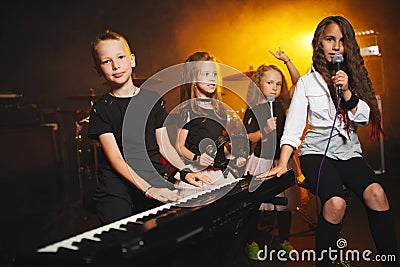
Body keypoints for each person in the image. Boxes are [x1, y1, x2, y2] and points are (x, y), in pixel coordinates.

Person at [262, 16, 399, 266]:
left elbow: (365, 119)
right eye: (329, 39)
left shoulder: (353, 78)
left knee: (377, 193)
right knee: (335, 203)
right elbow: (293, 127)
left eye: (342, 41)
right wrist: (283, 162)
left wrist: (347, 92)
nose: (336, 46)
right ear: (319, 44)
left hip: (348, 152)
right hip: (316, 153)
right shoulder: (306, 82)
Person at [88, 30, 211, 225]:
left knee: (161, 239)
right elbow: (116, 159)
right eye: (106, 61)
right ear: (98, 69)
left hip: (151, 175)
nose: (116, 65)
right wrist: (148, 190)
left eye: (120, 57)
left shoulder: (152, 100)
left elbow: (165, 147)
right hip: (117, 186)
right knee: (122, 242)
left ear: (132, 60)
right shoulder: (101, 109)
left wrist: (185, 171)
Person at [242, 49, 300, 259]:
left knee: (285, 207)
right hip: (261, 161)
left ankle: (284, 239)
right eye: (269, 83)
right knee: (257, 206)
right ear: (259, 84)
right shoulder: (253, 108)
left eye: (278, 84)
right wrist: (263, 131)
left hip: (281, 160)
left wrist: (287, 60)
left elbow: (298, 83)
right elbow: (247, 138)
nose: (274, 87)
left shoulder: (282, 104)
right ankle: (252, 242)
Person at [175, 51, 246, 198]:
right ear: (193, 79)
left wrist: (231, 156)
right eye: (205, 75)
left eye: (214, 74)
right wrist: (197, 158)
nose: (212, 79)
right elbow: (179, 146)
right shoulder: (188, 110)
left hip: (219, 172)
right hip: (198, 174)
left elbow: (218, 142)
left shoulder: (219, 109)